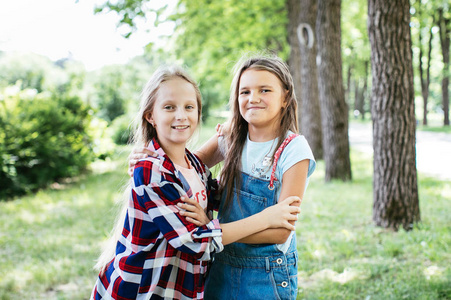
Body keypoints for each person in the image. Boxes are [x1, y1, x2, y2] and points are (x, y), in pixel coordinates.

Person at [90, 65, 302, 300]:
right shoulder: (151, 169)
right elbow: (195, 240)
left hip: (182, 286)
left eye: (189, 107)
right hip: (144, 288)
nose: (181, 115)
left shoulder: (196, 168)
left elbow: (223, 198)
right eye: (169, 107)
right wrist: (265, 218)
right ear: (150, 115)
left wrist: (208, 219)